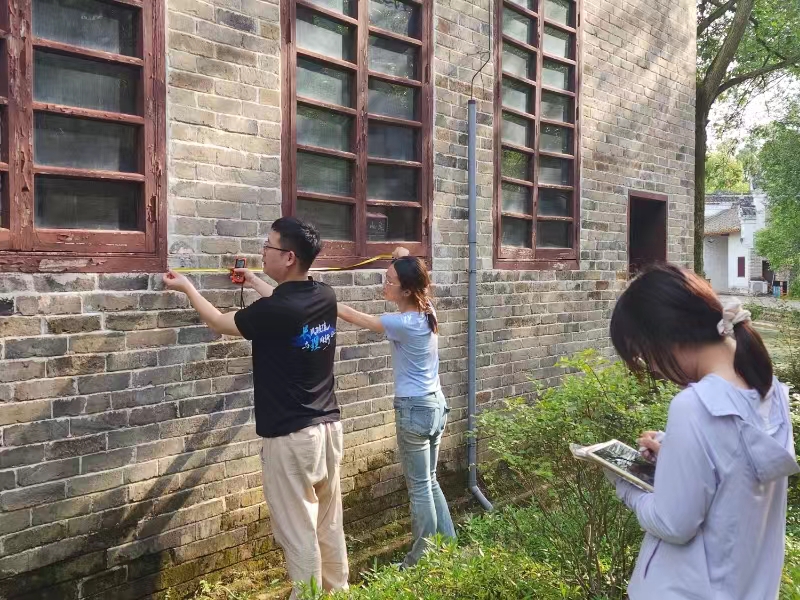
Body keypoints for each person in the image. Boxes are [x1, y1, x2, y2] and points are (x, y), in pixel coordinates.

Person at [162, 217, 348, 598]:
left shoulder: (276, 311)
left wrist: (188, 287)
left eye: (269, 246)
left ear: (289, 257)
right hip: (329, 430)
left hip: (292, 440)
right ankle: (339, 591)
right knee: (328, 525)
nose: (263, 251)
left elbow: (219, 322)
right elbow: (282, 303)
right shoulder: (324, 296)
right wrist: (253, 281)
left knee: (298, 532)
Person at [608, 263, 799, 600]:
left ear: (663, 337)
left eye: (644, 355)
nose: (653, 368)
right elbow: (736, 474)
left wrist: (625, 484)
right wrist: (674, 453)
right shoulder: (770, 391)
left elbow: (672, 524)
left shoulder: (694, 406)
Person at [336, 247, 456, 568]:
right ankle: (447, 547)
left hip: (414, 410)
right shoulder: (427, 308)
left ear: (405, 290)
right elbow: (404, 255)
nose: (384, 284)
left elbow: (354, 317)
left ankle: (420, 560)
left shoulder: (403, 322)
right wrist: (399, 257)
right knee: (430, 480)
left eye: (389, 281)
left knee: (420, 488)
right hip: (435, 405)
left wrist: (323, 298)